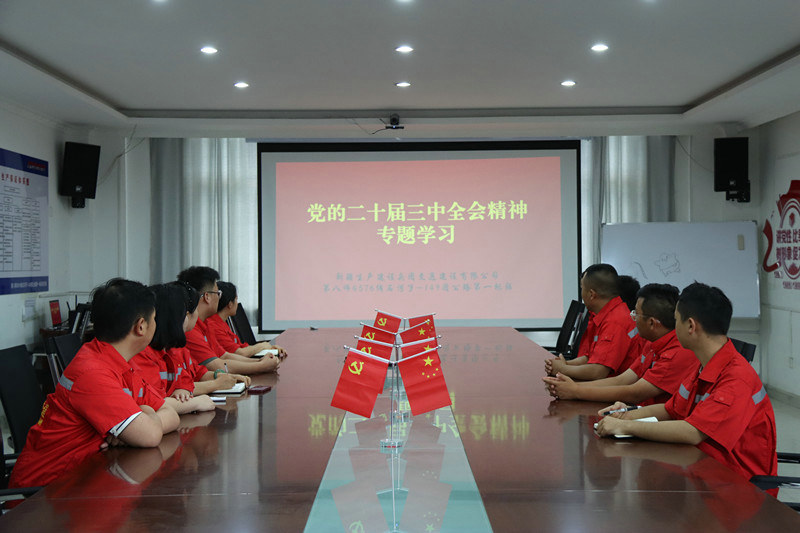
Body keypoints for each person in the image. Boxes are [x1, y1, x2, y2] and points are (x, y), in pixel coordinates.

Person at [595, 282, 777, 481]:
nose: (673, 328)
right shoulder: (703, 365)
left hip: (736, 484)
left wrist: (625, 427)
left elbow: (693, 432)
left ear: (690, 326)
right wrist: (626, 415)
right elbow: (671, 410)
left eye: (676, 321)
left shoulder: (737, 378)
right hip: (701, 471)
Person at [9, 279, 180, 488]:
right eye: (154, 319)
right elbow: (150, 435)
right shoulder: (93, 373)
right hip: (44, 493)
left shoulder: (118, 362)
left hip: (83, 479)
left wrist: (145, 418)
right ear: (141, 326)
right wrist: (144, 418)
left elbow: (171, 415)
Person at [543, 284, 700, 405]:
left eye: (636, 314)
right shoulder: (652, 343)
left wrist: (576, 390)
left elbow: (635, 393)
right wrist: (572, 386)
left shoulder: (677, 352)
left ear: (652, 323)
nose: (633, 318)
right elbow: (622, 380)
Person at [131, 283, 247, 409]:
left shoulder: (176, 347)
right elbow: (155, 401)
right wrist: (215, 385)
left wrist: (218, 377)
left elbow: (191, 378)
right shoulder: (145, 353)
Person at [177, 266, 280, 375]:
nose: (219, 298)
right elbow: (216, 366)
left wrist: (260, 362)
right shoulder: (190, 329)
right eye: (218, 293)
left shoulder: (206, 324)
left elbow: (224, 356)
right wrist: (261, 366)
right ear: (207, 297)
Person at [545, 264, 637, 380]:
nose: (581, 293)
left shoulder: (615, 322)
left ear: (591, 294)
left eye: (582, 288)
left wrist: (562, 369)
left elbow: (598, 372)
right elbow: (591, 357)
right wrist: (565, 364)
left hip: (612, 387)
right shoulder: (602, 315)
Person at [206, 280, 286, 358]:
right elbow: (240, 353)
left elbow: (241, 347)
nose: (237, 303)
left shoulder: (222, 323)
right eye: (236, 299)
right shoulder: (213, 326)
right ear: (230, 304)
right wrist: (263, 346)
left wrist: (268, 348)